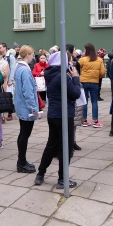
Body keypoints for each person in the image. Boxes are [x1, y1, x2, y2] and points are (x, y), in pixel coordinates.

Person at [34, 51, 82, 189]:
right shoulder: (63, 76)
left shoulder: (51, 73)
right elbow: (76, 93)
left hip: (53, 114)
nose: (70, 63)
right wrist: (75, 78)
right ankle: (62, 179)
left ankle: (40, 174)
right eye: (69, 60)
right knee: (65, 148)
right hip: (64, 115)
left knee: (51, 145)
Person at [14, 45, 40, 173]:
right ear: (28, 55)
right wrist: (34, 109)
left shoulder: (19, 67)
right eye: (32, 54)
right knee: (25, 135)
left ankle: (22, 161)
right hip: (26, 108)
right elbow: (28, 92)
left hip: (21, 106)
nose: (33, 57)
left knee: (22, 134)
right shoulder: (25, 70)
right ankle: (21, 162)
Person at [78, 43, 106, 128]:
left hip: (84, 81)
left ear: (87, 50)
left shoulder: (82, 60)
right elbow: (102, 73)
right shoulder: (99, 60)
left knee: (84, 102)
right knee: (94, 102)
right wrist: (97, 77)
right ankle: (95, 121)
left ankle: (84, 120)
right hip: (94, 82)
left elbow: (77, 70)